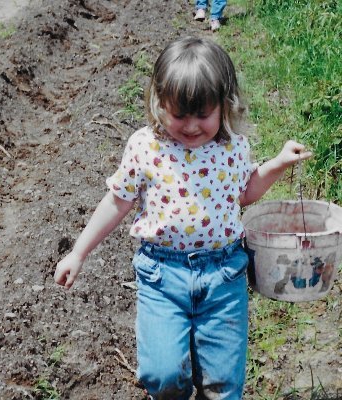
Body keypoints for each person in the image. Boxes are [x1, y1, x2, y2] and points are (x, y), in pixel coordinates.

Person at [54, 37, 312, 400]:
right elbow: (117, 201)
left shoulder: (232, 148)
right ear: (159, 104)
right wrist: (77, 253)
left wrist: (279, 163)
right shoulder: (146, 147)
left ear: (225, 105)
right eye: (179, 115)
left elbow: (245, 193)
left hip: (223, 277)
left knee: (224, 385)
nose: (191, 126)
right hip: (162, 277)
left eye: (203, 115)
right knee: (162, 376)